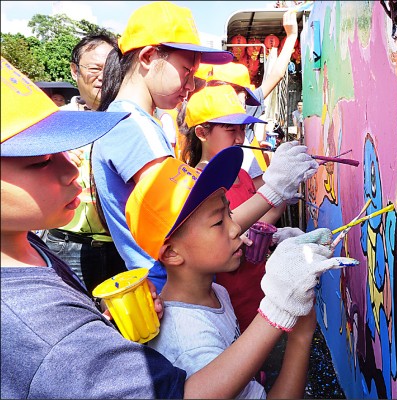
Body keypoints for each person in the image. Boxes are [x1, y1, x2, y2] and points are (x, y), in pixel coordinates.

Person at [0, 56, 356, 399]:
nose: (72, 170)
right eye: (41, 160)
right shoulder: (35, 320)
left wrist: (104, 330)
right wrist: (284, 314)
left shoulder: (29, 248)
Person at [125, 148, 350, 398]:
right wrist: (301, 335)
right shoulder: (193, 346)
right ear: (171, 254)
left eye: (229, 213)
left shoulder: (216, 292)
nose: (236, 229)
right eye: (218, 222)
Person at [90, 1, 235, 293]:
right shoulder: (134, 127)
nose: (192, 85)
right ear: (147, 57)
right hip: (170, 288)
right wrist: (272, 194)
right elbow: (187, 225)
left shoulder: (135, 122)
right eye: (186, 71)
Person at [181, 84, 315, 332]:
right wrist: (275, 189)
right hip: (228, 296)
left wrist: (277, 227)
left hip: (258, 286)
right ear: (201, 132)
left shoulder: (242, 174)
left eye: (243, 129)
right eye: (231, 130)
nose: (240, 138)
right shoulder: (194, 185)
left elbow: (260, 221)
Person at [41, 33, 127, 296]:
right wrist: (53, 157)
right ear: (74, 70)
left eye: (110, 69)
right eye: (94, 68)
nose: (103, 76)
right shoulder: (53, 121)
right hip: (66, 246)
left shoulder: (128, 121)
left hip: (120, 248)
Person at [205, 9, 301, 186]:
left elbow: (277, 75)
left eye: (244, 99)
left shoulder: (248, 107)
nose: (239, 137)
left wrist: (292, 36)